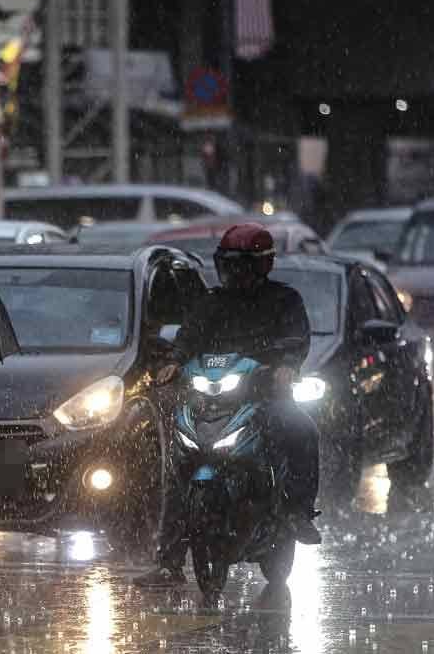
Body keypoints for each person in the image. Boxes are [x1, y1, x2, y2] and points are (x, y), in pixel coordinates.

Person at [134, 223, 321, 588]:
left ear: (261, 265)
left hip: (265, 396)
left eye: (241, 265)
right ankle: (168, 562)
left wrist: (285, 367)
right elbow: (188, 338)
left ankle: (297, 512)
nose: (234, 273)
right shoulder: (211, 302)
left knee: (304, 431)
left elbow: (296, 340)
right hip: (209, 399)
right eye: (229, 264)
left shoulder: (284, 300)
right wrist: (174, 362)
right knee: (179, 466)